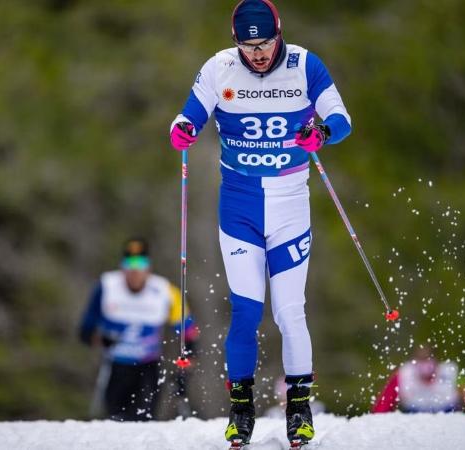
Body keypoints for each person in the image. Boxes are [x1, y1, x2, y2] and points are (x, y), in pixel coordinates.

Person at [169, 0, 352, 446]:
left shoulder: (305, 65)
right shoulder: (220, 67)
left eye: (265, 44)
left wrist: (322, 133)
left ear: (279, 33)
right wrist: (183, 129)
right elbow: (188, 114)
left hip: (290, 207)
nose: (257, 54)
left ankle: (299, 409)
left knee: (290, 311)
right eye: (248, 46)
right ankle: (241, 411)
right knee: (246, 312)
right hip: (239, 209)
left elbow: (342, 119)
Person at [78, 238, 198, 421]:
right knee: (114, 421)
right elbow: (85, 331)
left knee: (144, 420)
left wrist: (184, 371)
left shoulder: (165, 291)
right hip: (115, 367)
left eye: (141, 263)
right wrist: (101, 339)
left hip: (148, 369)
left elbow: (189, 335)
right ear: (122, 267)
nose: (135, 270)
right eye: (129, 264)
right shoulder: (106, 286)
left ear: (148, 267)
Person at [371, 347, 465, 415]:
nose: (425, 364)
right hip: (414, 421)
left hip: (448, 419)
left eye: (428, 359)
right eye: (421, 360)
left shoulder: (451, 374)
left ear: (436, 361)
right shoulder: (403, 375)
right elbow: (383, 405)